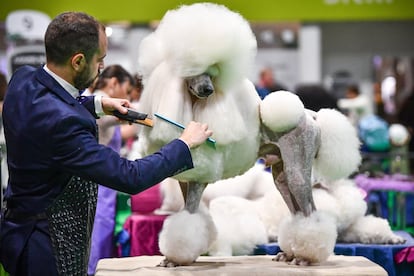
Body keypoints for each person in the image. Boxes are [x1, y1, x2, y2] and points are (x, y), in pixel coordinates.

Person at [0, 12, 212, 276]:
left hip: (16, 231)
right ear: (77, 61)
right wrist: (183, 144)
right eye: (99, 61)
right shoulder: (64, 126)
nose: (102, 68)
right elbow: (130, 176)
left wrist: (99, 104)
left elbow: (54, 102)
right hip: (48, 247)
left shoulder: (23, 80)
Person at [86, 64, 137, 274]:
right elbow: (128, 121)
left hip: (105, 182)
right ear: (114, 83)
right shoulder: (99, 102)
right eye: (126, 92)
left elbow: (123, 132)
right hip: (100, 182)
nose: (127, 99)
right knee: (98, 234)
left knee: (102, 232)